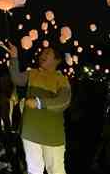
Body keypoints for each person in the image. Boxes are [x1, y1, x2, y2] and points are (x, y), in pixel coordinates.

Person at [5, 42, 71, 174]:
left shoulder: (61, 79)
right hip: (30, 131)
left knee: (56, 170)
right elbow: (17, 79)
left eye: (47, 53)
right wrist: (14, 57)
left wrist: (40, 103)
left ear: (57, 60)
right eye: (42, 53)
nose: (42, 55)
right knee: (34, 169)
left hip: (52, 135)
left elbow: (64, 101)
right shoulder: (32, 73)